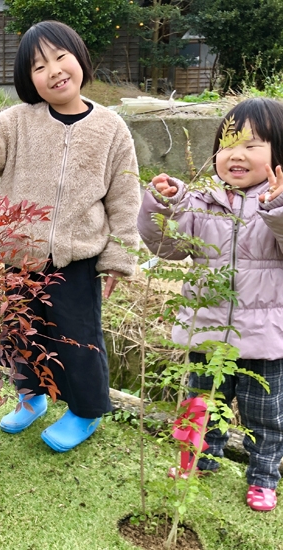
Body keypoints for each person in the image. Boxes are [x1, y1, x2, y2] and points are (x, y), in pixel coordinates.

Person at [0, 21, 141, 452]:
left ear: (80, 59)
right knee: (18, 334)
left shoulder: (111, 128)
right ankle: (30, 398)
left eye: (60, 57)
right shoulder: (17, 121)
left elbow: (126, 198)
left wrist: (119, 257)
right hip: (19, 256)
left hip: (78, 260)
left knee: (78, 340)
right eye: (39, 66)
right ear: (27, 78)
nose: (53, 70)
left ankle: (85, 411)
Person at [138, 97, 283, 511]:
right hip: (207, 332)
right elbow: (166, 246)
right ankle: (200, 459)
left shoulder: (278, 203)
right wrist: (164, 204)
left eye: (252, 145)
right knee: (198, 405)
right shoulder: (202, 201)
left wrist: (276, 207)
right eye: (226, 144)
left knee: (265, 417)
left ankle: (263, 476)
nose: (236, 154)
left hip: (265, 339)